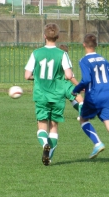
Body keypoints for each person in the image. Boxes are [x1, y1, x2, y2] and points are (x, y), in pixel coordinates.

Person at [25, 23, 73, 166]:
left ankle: (44, 143)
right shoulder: (62, 54)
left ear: (44, 36)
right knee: (53, 126)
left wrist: (38, 77)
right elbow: (69, 75)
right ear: (57, 37)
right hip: (57, 96)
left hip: (41, 95)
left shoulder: (36, 53)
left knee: (42, 125)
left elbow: (27, 75)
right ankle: (49, 155)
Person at [72, 33, 109, 163]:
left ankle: (98, 143)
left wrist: (76, 90)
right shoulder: (104, 60)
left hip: (94, 96)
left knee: (83, 119)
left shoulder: (84, 60)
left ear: (84, 45)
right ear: (96, 45)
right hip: (107, 94)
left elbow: (86, 79)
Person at [59, 44, 83, 120]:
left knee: (71, 99)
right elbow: (69, 76)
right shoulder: (65, 57)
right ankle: (81, 116)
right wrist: (79, 85)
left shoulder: (56, 57)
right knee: (80, 99)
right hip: (65, 84)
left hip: (57, 84)